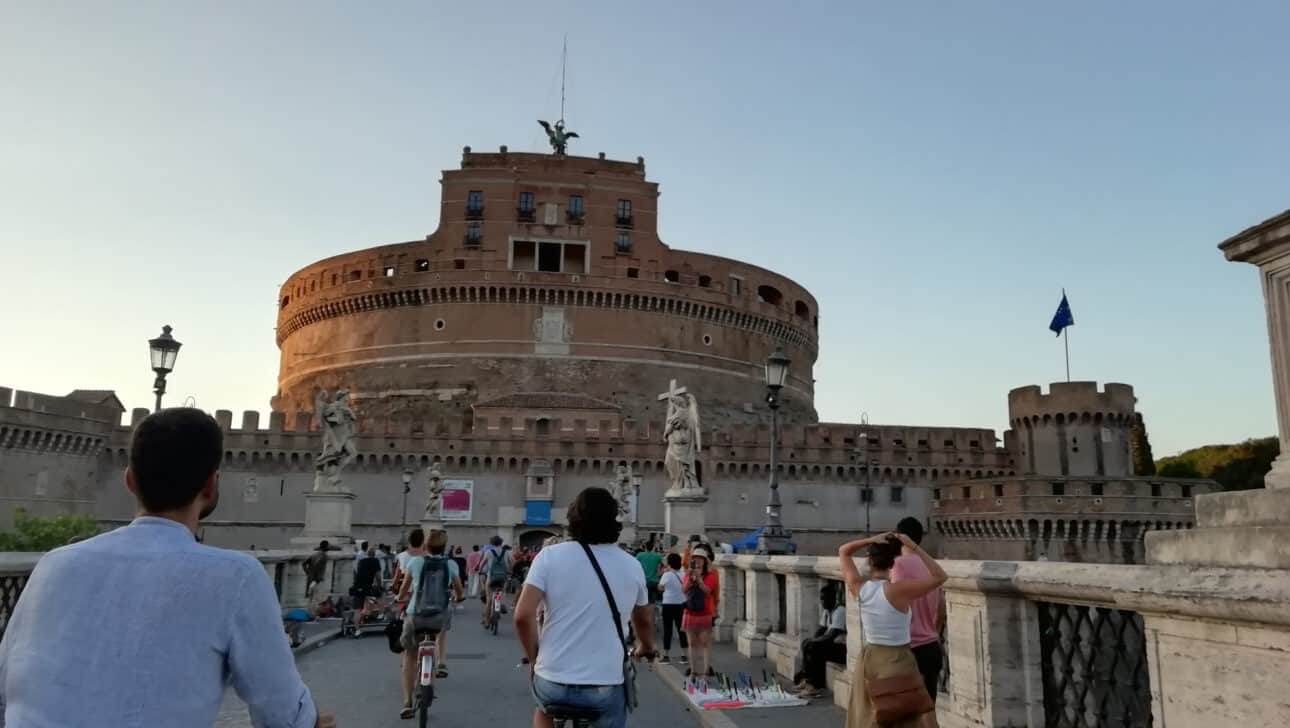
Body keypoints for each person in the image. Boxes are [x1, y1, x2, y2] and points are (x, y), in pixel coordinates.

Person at [0, 408, 336, 727]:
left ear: (129, 480)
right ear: (210, 486)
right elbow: (284, 715)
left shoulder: (53, 564)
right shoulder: (238, 577)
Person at [514, 487, 656, 728]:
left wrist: (534, 658)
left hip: (552, 679)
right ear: (614, 520)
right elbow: (642, 620)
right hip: (604, 683)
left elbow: (522, 616)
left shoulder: (548, 557)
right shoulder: (631, 565)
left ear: (573, 518)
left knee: (543, 709)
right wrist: (646, 646)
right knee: (612, 707)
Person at [838, 532, 946, 728]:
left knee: (873, 715)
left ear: (870, 561)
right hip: (899, 657)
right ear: (892, 563)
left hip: (871, 658)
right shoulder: (899, 590)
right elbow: (940, 576)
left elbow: (844, 551)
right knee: (910, 714)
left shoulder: (859, 588)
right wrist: (913, 545)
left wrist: (872, 539)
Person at [396, 530, 463, 719]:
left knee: (409, 656)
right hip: (438, 617)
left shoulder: (415, 562)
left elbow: (404, 589)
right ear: (444, 547)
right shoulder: (451, 564)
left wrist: (400, 597)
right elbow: (459, 590)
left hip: (415, 615)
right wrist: (459, 597)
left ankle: (407, 702)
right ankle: (433, 675)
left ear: (426, 546)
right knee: (435, 639)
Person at [891, 517, 946, 726]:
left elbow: (897, 603)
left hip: (909, 647)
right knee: (928, 709)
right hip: (931, 645)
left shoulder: (898, 566)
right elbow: (940, 609)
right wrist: (933, 632)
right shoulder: (932, 567)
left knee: (906, 715)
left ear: (899, 537)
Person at [793, 584, 847, 698]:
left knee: (814, 647)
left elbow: (831, 635)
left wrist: (814, 642)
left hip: (842, 649)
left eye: (824, 599)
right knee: (807, 644)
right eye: (821, 599)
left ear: (832, 598)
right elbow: (820, 631)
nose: (822, 602)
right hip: (832, 645)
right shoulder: (827, 612)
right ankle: (807, 679)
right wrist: (811, 641)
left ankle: (813, 686)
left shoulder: (840, 611)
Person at [682, 543, 719, 677]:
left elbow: (708, 591)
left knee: (705, 643)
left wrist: (699, 579)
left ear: (705, 560)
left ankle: (705, 671)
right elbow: (684, 591)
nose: (697, 560)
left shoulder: (711, 574)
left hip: (705, 611)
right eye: (695, 557)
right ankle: (693, 671)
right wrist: (690, 579)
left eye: (700, 558)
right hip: (690, 611)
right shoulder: (688, 573)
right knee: (692, 642)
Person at [657, 552, 689, 664]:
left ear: (669, 563)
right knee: (682, 630)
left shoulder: (666, 575)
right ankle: (684, 655)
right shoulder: (684, 574)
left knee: (667, 630)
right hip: (681, 604)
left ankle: (666, 655)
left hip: (668, 604)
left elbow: (660, 588)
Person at [479, 536, 513, 627]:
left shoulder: (489, 552)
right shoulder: (507, 552)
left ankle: (486, 621)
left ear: (492, 543)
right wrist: (510, 570)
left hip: (491, 577)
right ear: (501, 543)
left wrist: (480, 571)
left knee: (489, 599)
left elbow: (482, 564)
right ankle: (500, 604)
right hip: (502, 577)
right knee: (500, 593)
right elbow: (512, 562)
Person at [350, 546, 384, 624]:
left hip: (357, 586)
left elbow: (356, 574)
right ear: (374, 554)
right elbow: (378, 576)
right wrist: (380, 586)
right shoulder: (375, 561)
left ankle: (357, 630)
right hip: (367, 586)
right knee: (379, 597)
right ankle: (380, 615)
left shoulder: (361, 561)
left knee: (357, 609)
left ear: (367, 554)